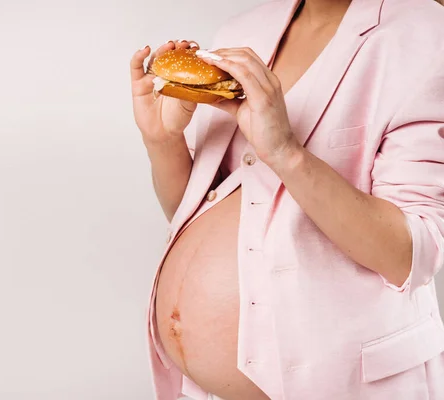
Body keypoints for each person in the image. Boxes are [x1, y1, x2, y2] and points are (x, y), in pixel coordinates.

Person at [130, 0, 444, 399]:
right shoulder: (243, 31)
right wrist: (162, 141)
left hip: (342, 383)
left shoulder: (428, 35)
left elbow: (412, 256)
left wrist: (285, 151)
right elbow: (194, 213)